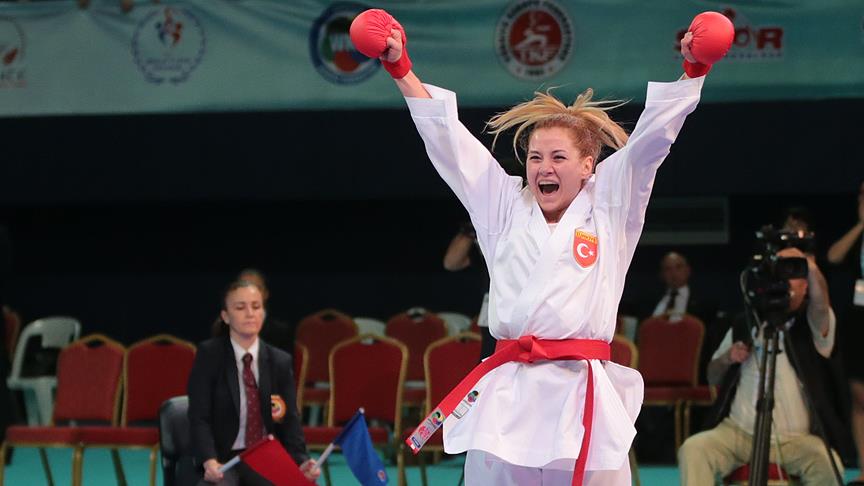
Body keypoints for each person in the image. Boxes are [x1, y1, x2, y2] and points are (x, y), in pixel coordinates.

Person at [350, 8, 732, 485]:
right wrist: (401, 69)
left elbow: (650, 144)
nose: (543, 167)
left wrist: (693, 71)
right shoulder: (504, 204)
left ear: (588, 165)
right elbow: (450, 144)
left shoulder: (609, 204)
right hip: (508, 394)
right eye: (534, 157)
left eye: (557, 157)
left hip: (581, 393)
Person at [678, 247, 849, 485]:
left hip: (795, 440)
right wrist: (727, 358)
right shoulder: (745, 322)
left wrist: (808, 265)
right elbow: (712, 375)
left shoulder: (811, 325)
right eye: (780, 271)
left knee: (828, 463)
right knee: (693, 449)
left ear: (806, 287)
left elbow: (820, 305)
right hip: (737, 433)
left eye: (793, 273)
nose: (784, 279)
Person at [188, 280, 319, 485]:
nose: (250, 313)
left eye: (256, 306)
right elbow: (199, 417)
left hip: (266, 456)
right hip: (223, 458)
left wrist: (301, 461)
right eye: (240, 307)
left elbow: (290, 420)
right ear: (225, 316)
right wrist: (209, 460)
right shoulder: (209, 356)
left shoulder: (280, 361)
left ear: (263, 313)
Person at [827, 180, 864, 486]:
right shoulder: (858, 234)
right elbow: (834, 257)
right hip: (859, 320)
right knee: (859, 397)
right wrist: (862, 225)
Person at [210, 269, 296, 357]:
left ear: (266, 293)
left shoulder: (281, 332)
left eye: (256, 288)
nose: (249, 293)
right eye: (243, 287)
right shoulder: (224, 327)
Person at [443, 222, 495, 359]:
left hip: (518, 306)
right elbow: (451, 263)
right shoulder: (481, 227)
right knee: (488, 358)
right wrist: (471, 229)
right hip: (490, 308)